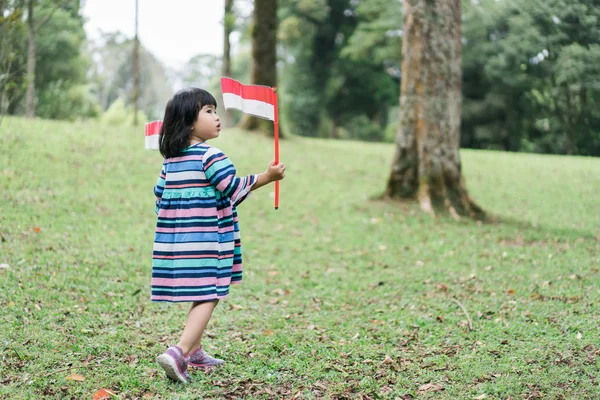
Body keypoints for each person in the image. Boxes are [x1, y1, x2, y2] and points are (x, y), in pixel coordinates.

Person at [151, 88, 286, 383]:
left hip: (178, 243)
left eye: (215, 110)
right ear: (188, 121)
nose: (217, 117)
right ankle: (179, 351)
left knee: (201, 291)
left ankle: (196, 352)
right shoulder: (211, 156)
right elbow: (232, 188)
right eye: (208, 111)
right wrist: (267, 177)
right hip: (207, 241)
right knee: (209, 294)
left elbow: (159, 199)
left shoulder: (170, 162)